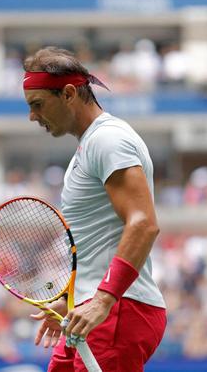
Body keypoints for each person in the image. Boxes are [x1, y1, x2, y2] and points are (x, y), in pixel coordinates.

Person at [22, 47, 166, 371]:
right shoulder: (87, 148)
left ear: (69, 94)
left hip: (118, 311)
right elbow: (97, 242)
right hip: (89, 310)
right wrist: (68, 301)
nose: (33, 116)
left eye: (38, 105)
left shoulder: (108, 140)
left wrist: (103, 299)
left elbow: (143, 224)